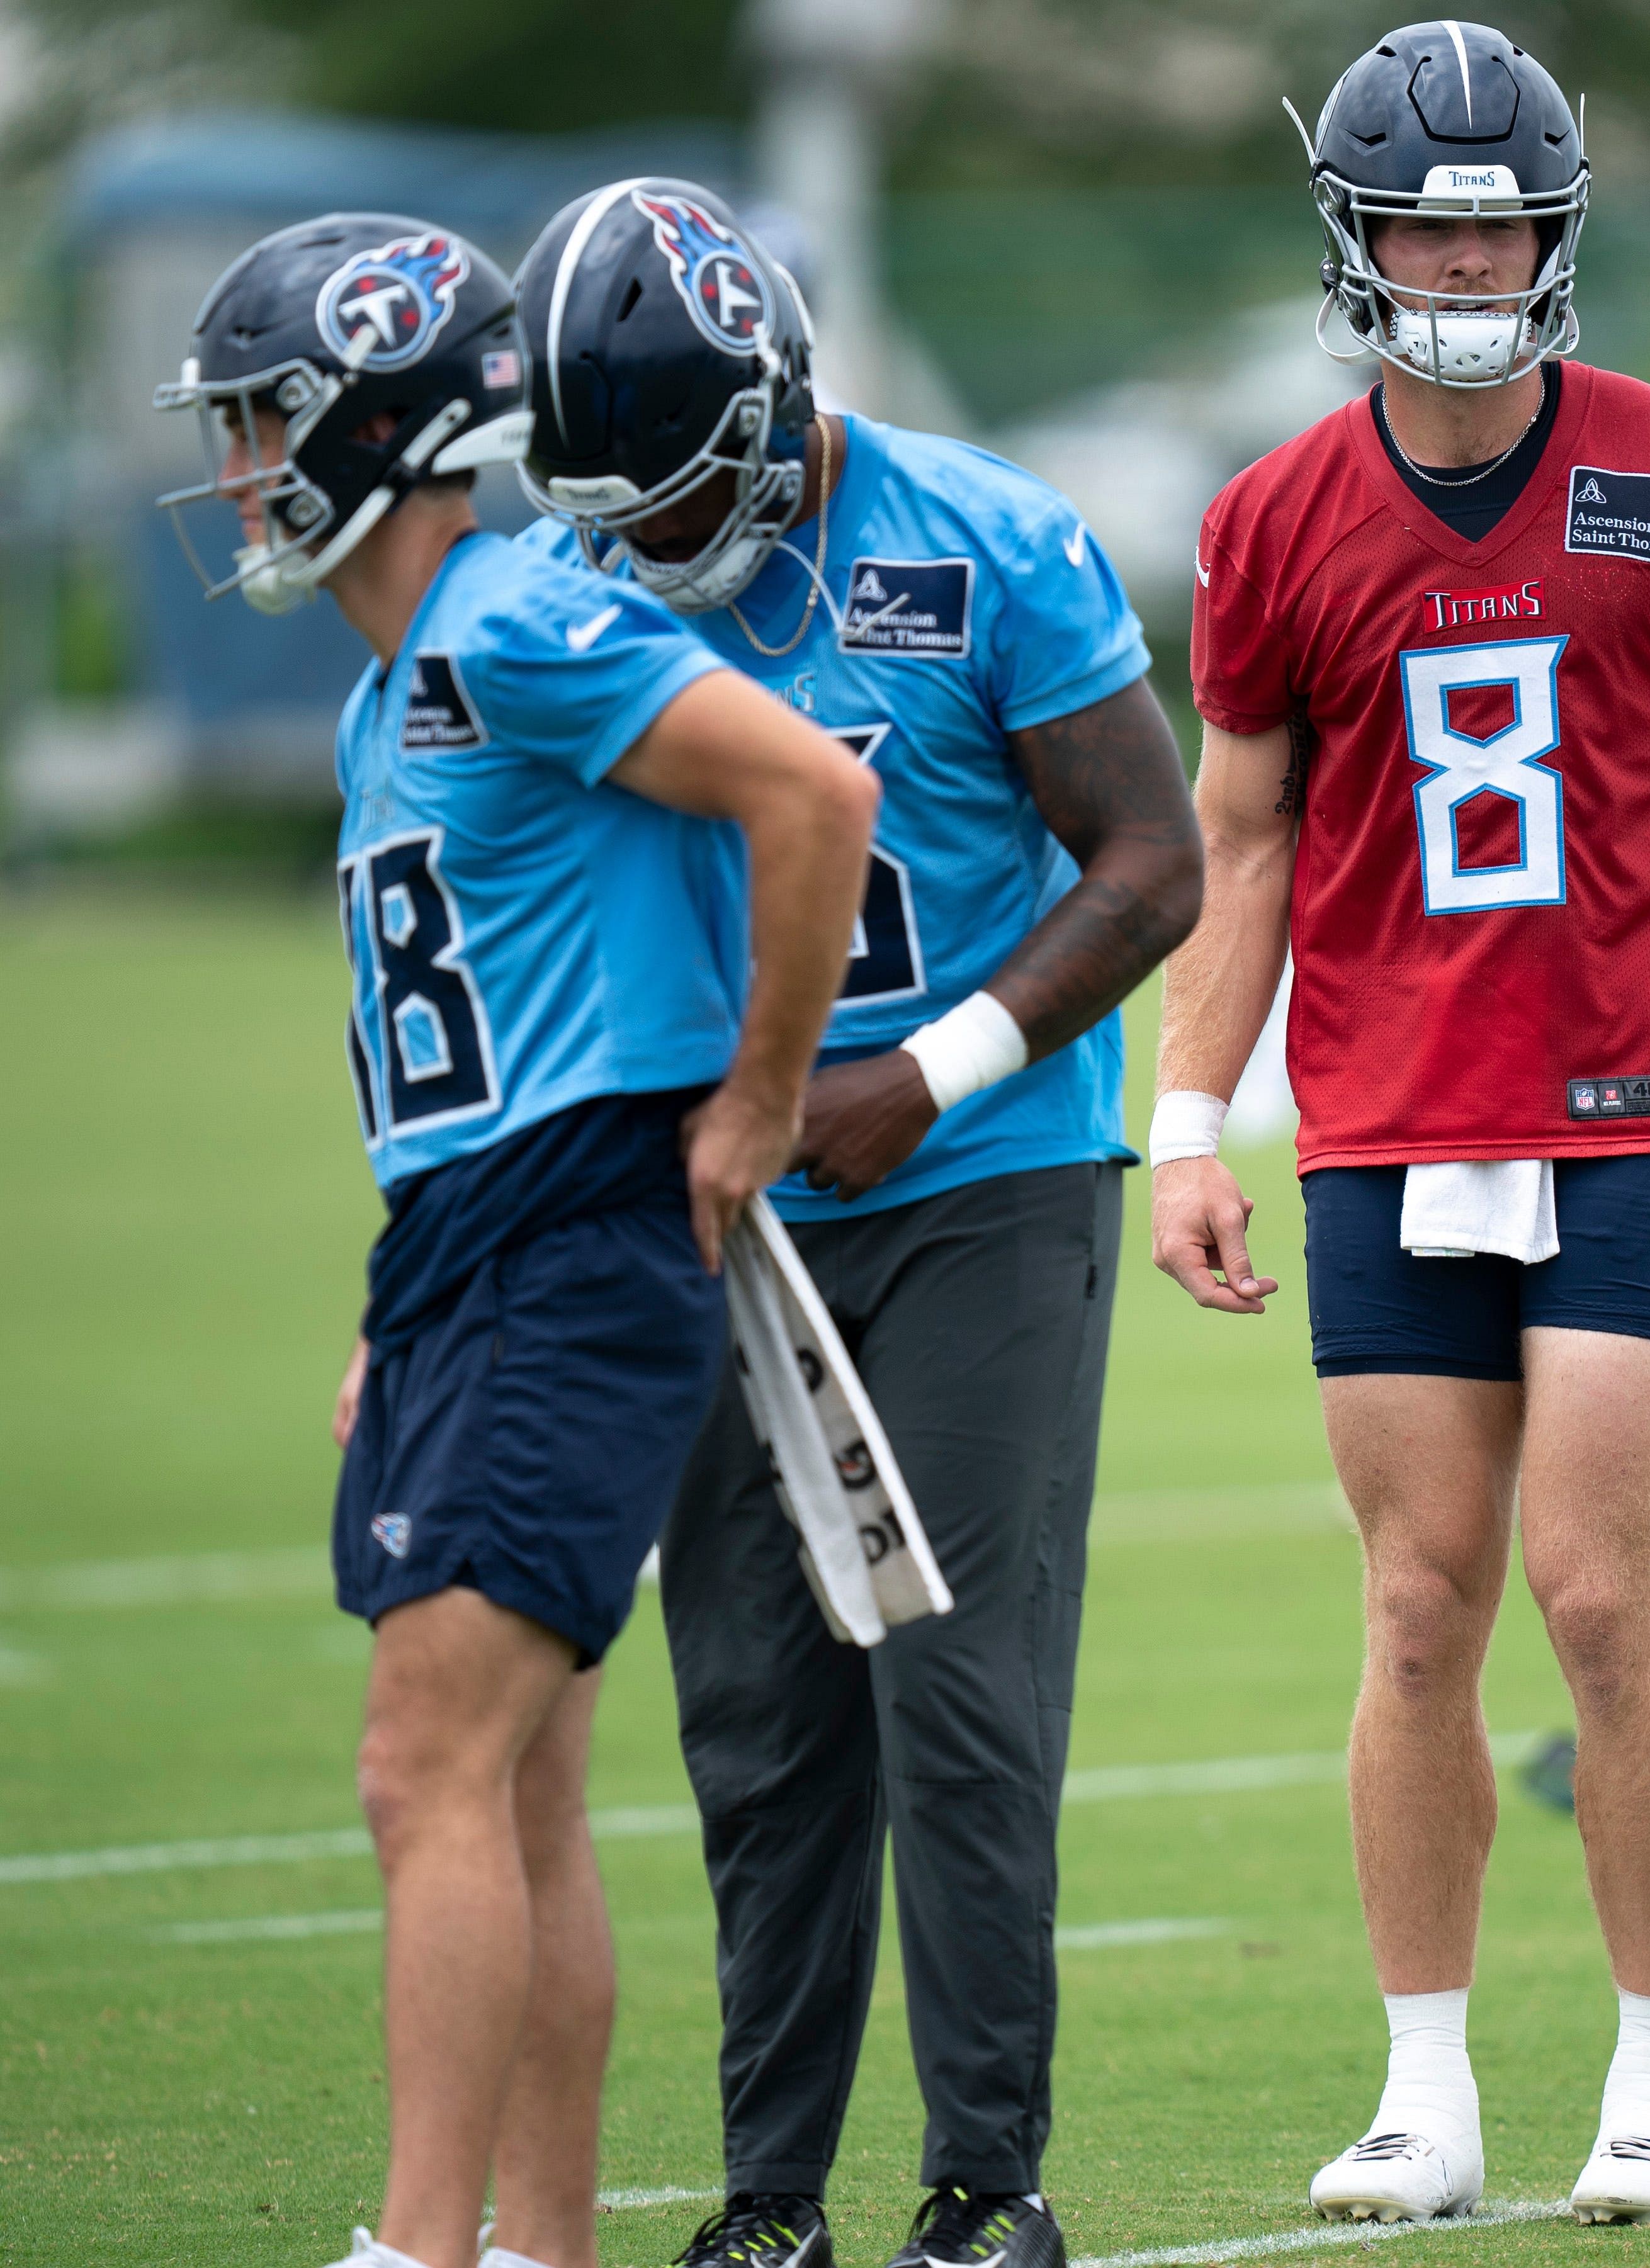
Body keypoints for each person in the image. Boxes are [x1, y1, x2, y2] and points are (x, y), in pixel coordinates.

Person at [1146, 21, 1650, 2227]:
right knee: (1421, 1604)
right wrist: (1186, 1113)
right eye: (1427, 218)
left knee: (1600, 1595)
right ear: (1355, 236)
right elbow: (1239, 837)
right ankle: (1424, 2088)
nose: (1467, 254)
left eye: (1501, 216)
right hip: (1383, 1113)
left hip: (1638, 1099)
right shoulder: (1268, 518)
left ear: (1559, 229)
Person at [153, 215, 875, 2268]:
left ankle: (416, 2249)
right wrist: (407, 1297)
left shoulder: (509, 624)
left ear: (376, 416)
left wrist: (755, 1096)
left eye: (264, 419)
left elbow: (811, 791)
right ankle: (538, 2249)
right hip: (475, 1247)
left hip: (578, 1237)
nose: (237, 470)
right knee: (518, 1790)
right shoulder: (396, 696)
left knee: (424, 1771)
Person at [514, 178, 1202, 2268]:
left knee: (956, 1685)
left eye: (678, 491)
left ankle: (989, 2182)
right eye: (604, 507)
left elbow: (1151, 862)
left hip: (984, 1185)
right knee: (755, 1704)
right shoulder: (568, 583)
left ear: (785, 401)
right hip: (724, 1198)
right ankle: (766, 2202)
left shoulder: (981, 537)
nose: (639, 547)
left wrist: (938, 1070)